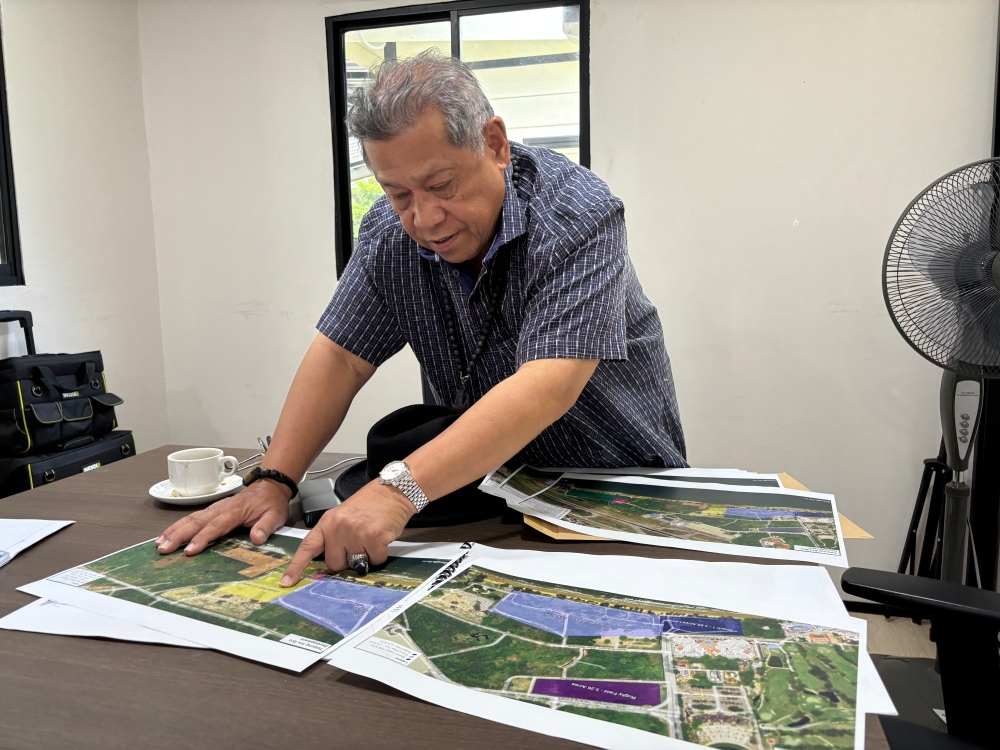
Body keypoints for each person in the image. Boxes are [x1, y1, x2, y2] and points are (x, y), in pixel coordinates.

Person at [155, 50, 685, 583]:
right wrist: (273, 481)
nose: (425, 219)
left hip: (618, 488)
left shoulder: (576, 213)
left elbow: (547, 383)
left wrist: (395, 492)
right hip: (487, 496)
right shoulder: (388, 235)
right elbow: (341, 357)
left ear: (495, 145)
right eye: (398, 192)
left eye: (441, 185)